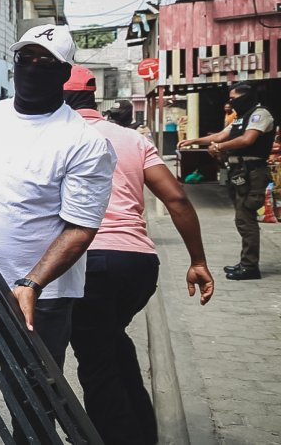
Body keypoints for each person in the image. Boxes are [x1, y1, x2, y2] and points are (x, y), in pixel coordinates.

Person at [0, 24, 116, 444]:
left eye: (44, 63)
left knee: (32, 406)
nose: (31, 69)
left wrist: (32, 282)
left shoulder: (84, 142)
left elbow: (82, 227)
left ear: (64, 73)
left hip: (39, 300)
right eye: (24, 60)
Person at [63, 66, 214, 445]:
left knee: (96, 364)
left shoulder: (57, 136)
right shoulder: (131, 138)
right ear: (93, 93)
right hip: (138, 264)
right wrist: (197, 261)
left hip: (87, 262)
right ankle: (144, 429)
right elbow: (176, 198)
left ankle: (118, 437)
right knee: (111, 340)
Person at [180, 82, 276, 280]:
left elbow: (247, 140)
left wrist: (220, 147)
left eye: (233, 98)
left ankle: (250, 266)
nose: (231, 102)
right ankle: (246, 262)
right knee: (242, 217)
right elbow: (221, 135)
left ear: (244, 97)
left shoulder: (260, 114)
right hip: (240, 172)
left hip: (253, 172)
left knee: (246, 216)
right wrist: (194, 141)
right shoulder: (241, 118)